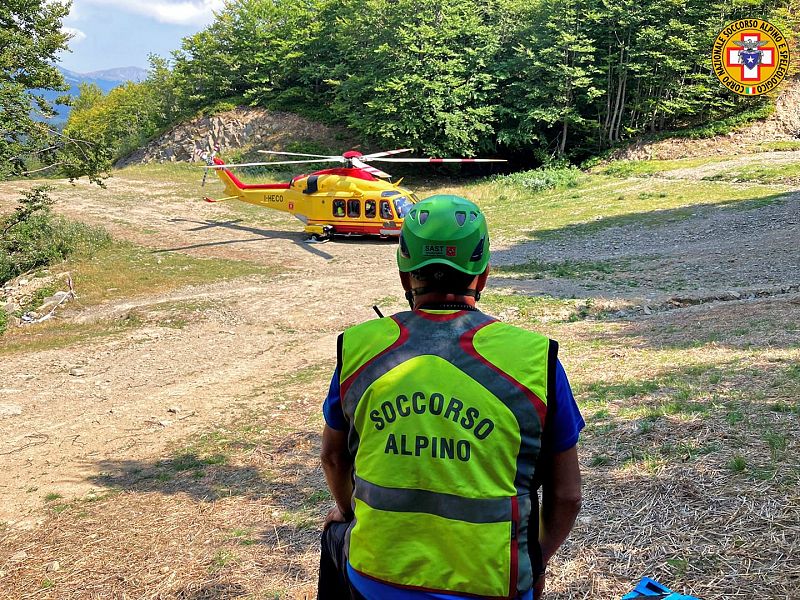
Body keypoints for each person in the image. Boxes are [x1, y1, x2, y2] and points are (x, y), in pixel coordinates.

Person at [319, 195, 584, 599]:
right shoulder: (534, 360)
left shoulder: (358, 348)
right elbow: (567, 496)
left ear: (405, 277)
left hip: (375, 579)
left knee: (336, 540)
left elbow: (334, 458)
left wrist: (346, 510)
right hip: (495, 584)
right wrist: (537, 560)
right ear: (484, 274)